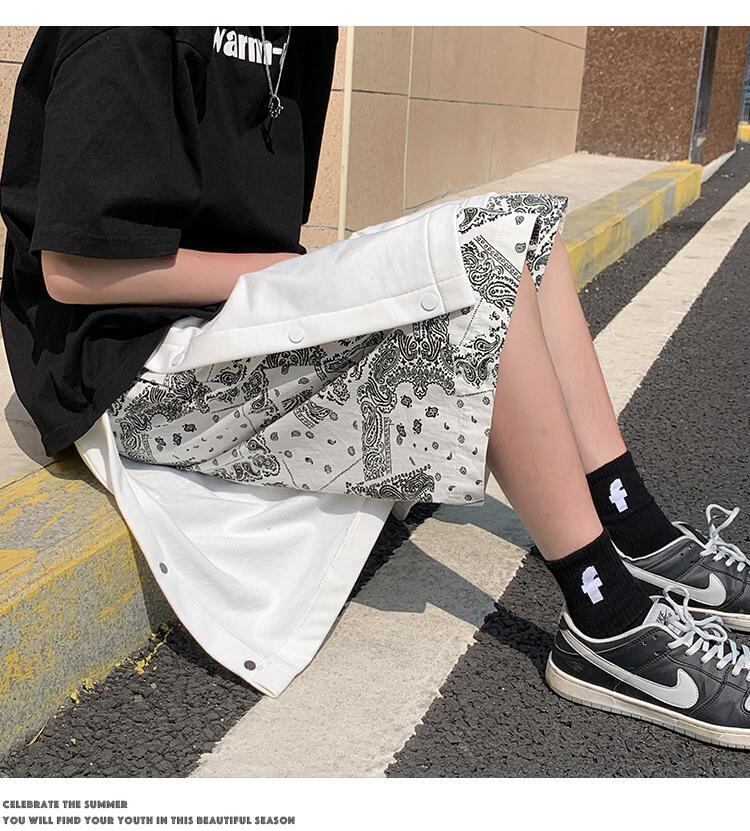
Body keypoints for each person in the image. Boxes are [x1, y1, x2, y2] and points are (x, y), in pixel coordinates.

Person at [2, 25, 749, 750]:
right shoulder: (126, 28)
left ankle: (634, 529)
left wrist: (305, 279)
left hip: (232, 324)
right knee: (480, 267)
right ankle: (605, 617)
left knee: (525, 234)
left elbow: (255, 232)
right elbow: (72, 271)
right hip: (129, 368)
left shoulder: (302, 32)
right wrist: (297, 276)